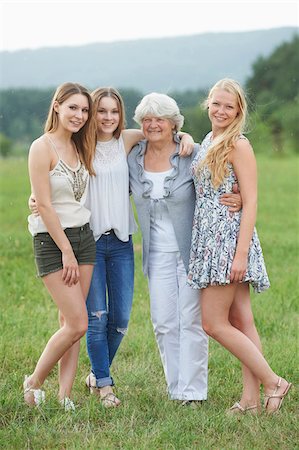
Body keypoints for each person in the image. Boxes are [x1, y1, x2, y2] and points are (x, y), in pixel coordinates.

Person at [84, 87, 195, 407]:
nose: (107, 117)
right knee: (97, 317)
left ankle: (96, 373)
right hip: (87, 241)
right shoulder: (79, 144)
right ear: (92, 114)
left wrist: (185, 136)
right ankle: (103, 382)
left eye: (113, 111)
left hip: (121, 242)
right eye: (100, 111)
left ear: (120, 115)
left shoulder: (126, 140)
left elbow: (165, 130)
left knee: (119, 320)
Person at [127, 92, 242, 404]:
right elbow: (106, 185)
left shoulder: (192, 152)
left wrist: (240, 198)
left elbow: (221, 182)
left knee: (190, 320)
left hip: (194, 250)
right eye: (147, 119)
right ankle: (175, 387)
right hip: (156, 253)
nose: (153, 125)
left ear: (174, 123)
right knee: (164, 322)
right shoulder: (133, 158)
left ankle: (192, 393)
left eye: (160, 119)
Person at [187, 78, 292, 414]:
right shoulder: (208, 139)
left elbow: (252, 200)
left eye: (228, 106)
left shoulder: (238, 145)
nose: (220, 110)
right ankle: (250, 400)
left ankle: (274, 382)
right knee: (243, 320)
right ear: (208, 104)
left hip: (228, 241)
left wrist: (240, 254)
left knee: (213, 323)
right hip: (209, 236)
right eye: (216, 103)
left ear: (238, 111)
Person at [25, 82, 97, 411]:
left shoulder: (82, 146)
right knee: (78, 323)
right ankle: (33, 382)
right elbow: (45, 206)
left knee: (70, 324)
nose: (79, 115)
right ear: (57, 106)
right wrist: (66, 250)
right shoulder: (42, 148)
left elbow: (127, 134)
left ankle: (64, 394)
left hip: (84, 237)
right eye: (73, 108)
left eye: (84, 110)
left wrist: (181, 135)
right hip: (54, 242)